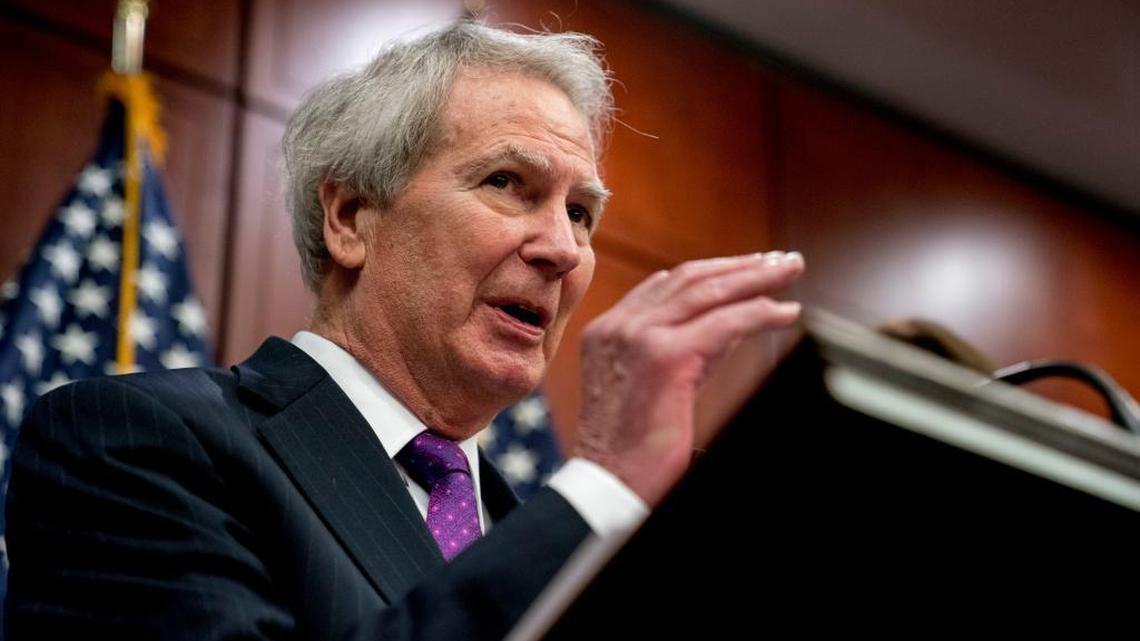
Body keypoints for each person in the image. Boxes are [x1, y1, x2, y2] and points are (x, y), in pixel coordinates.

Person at [5, 21, 804, 639]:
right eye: (508, 183)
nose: (563, 248)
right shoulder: (134, 442)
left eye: (581, 212)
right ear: (351, 216)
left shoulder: (548, 534)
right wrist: (602, 479)